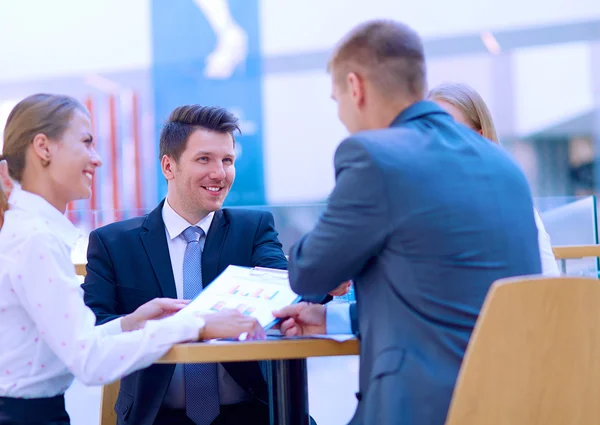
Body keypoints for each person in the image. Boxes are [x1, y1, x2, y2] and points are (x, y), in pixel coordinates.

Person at [276, 20, 542, 425]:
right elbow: (447, 301)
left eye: (337, 101)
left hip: (419, 408)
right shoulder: (503, 164)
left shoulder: (374, 156)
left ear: (356, 87)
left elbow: (309, 274)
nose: (343, 117)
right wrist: (333, 317)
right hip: (508, 402)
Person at [0, 94, 264, 425]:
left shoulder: (28, 231)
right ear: (44, 148)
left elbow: (74, 341)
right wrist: (193, 324)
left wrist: (130, 322)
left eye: (227, 160)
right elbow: (89, 361)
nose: (96, 159)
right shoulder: (35, 239)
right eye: (86, 142)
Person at [81, 105, 328, 425]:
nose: (220, 173)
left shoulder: (253, 228)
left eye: (227, 160)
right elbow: (93, 328)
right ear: (168, 166)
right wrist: (138, 321)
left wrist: (321, 279)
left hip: (251, 410)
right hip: (157, 416)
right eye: (204, 159)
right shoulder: (114, 243)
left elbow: (283, 284)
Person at [428, 82, 560, 275]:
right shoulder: (421, 201)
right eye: (427, 128)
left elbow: (548, 281)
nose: (435, 139)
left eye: (447, 128)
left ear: (479, 137)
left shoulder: (509, 202)